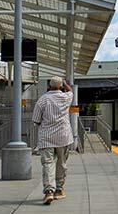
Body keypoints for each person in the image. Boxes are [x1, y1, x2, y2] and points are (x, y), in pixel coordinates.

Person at [32, 76, 74, 205]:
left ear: (49, 86)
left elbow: (36, 120)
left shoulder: (43, 100)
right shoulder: (66, 97)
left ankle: (49, 192)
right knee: (61, 164)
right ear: (61, 86)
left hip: (47, 139)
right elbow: (70, 90)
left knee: (48, 164)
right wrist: (66, 84)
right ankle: (59, 190)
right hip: (64, 137)